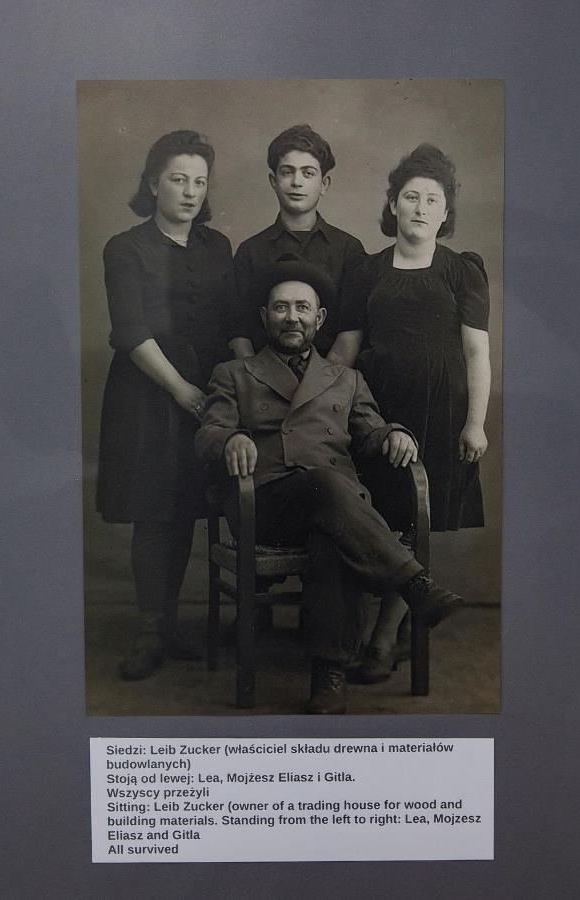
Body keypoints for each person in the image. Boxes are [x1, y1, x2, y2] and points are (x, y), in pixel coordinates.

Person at [195, 256, 463, 714]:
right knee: (325, 483)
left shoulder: (347, 379)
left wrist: (395, 434)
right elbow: (208, 432)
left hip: (335, 510)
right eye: (281, 307)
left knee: (331, 536)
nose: (292, 317)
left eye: (302, 308)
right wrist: (231, 438)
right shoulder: (234, 373)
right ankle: (413, 584)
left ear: (319, 319)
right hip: (267, 504)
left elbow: (372, 431)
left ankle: (328, 677)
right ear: (264, 317)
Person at [329, 144, 491, 682]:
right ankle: (367, 632)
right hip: (374, 413)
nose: (421, 208)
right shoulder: (366, 271)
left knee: (413, 523)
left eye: (432, 200)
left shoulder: (462, 271)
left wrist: (475, 423)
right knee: (372, 517)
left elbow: (476, 352)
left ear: (445, 213)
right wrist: (312, 399)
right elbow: (345, 349)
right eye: (411, 197)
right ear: (393, 204)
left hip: (439, 415)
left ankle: (382, 640)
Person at [96, 129, 238, 680]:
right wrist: (180, 388)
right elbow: (130, 331)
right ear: (154, 184)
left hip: (206, 394)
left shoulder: (217, 247)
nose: (190, 192)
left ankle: (171, 624)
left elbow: (228, 324)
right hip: (148, 394)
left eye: (199, 182)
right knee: (154, 514)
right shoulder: (125, 248)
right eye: (179, 180)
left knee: (183, 510)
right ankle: (150, 632)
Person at [231, 124, 365, 357]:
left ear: (324, 184)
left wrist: (323, 380)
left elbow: (350, 333)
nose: (297, 182)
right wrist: (256, 378)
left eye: (308, 173)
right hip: (261, 376)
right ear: (273, 181)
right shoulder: (250, 251)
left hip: (330, 375)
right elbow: (240, 333)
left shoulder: (348, 250)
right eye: (287, 172)